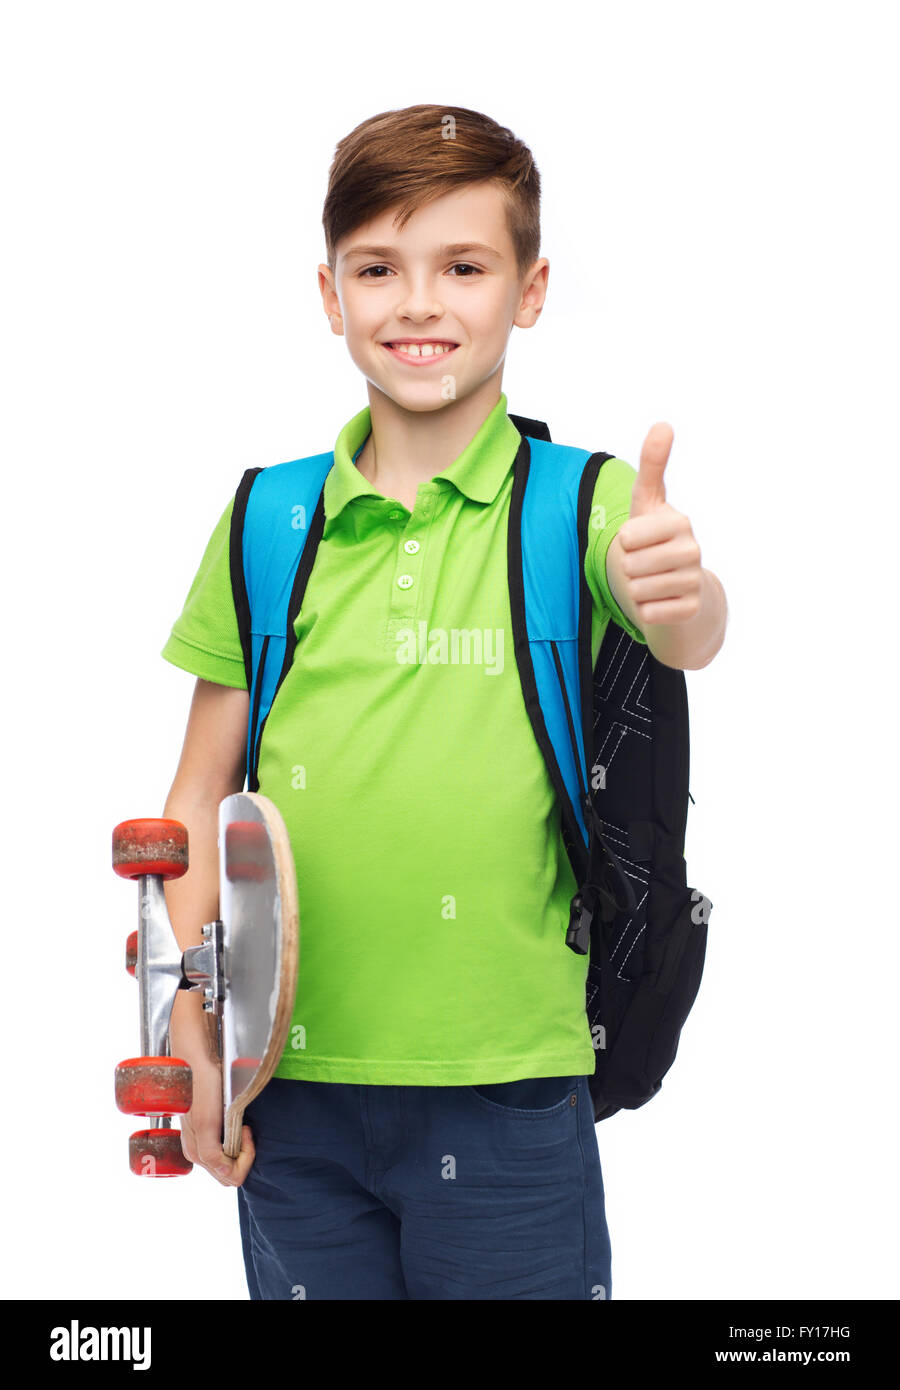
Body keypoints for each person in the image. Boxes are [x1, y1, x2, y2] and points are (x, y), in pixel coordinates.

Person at [159, 103, 727, 1301]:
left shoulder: (581, 504)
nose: (419, 303)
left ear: (529, 290)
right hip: (288, 1091)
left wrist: (680, 592)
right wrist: (189, 1035)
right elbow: (197, 800)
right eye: (380, 268)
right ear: (330, 294)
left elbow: (689, 633)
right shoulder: (269, 518)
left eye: (463, 266)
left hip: (513, 1088)